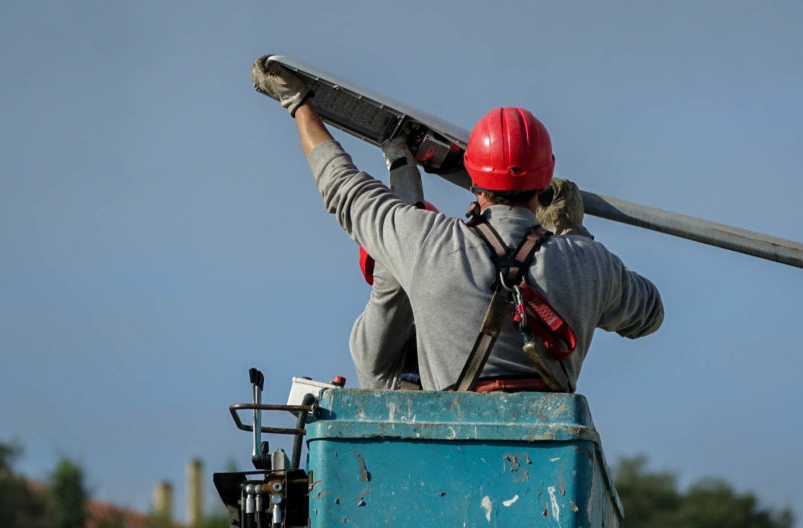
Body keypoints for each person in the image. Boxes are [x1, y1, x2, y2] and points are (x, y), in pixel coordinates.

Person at [252, 56, 663, 391]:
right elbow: (650, 313)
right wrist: (573, 233)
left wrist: (298, 104)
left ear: (474, 179)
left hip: (453, 453)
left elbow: (341, 185)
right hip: (548, 457)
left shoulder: (428, 245)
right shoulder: (589, 263)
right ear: (544, 180)